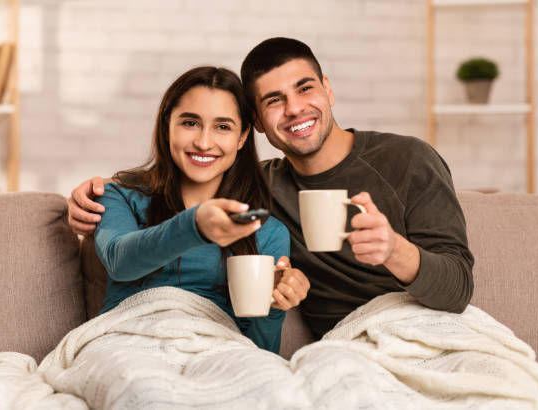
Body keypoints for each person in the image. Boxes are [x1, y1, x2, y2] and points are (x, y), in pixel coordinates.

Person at [68, 38, 474, 340]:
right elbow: (186, 185)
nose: (295, 108)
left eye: (305, 88)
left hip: (427, 324)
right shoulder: (259, 194)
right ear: (258, 124)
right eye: (274, 100)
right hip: (344, 345)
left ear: (328, 89)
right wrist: (91, 193)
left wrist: (393, 250)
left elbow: (457, 289)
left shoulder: (408, 159)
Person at [90, 66, 309, 353]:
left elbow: (260, 353)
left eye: (223, 127)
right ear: (167, 125)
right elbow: (121, 261)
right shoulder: (118, 196)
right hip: (127, 345)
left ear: (242, 137)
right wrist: (195, 226)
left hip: (216, 355)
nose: (204, 143)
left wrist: (275, 306)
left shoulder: (268, 233)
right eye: (190, 123)